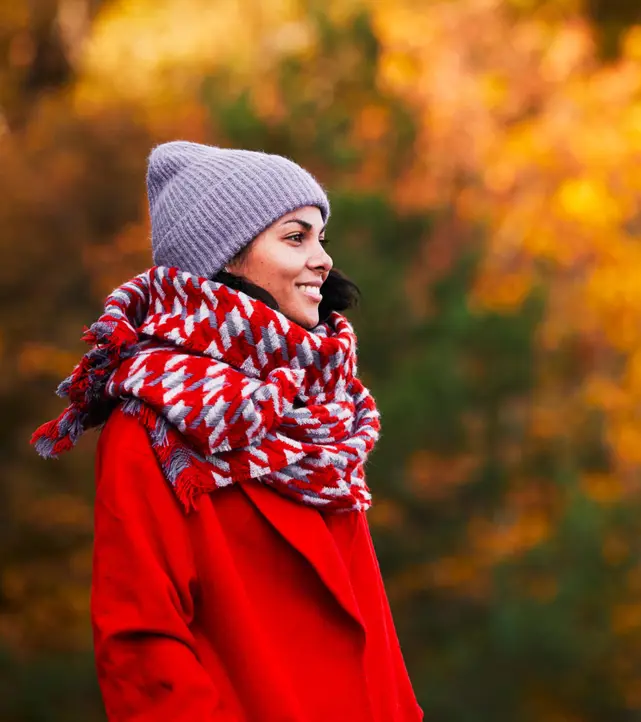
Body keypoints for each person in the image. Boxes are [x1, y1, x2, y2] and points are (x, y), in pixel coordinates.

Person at [32, 141, 423, 722]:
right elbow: (141, 639)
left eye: (321, 238)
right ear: (226, 259)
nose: (322, 260)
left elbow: (373, 629)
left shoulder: (322, 413)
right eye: (296, 237)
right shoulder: (155, 419)